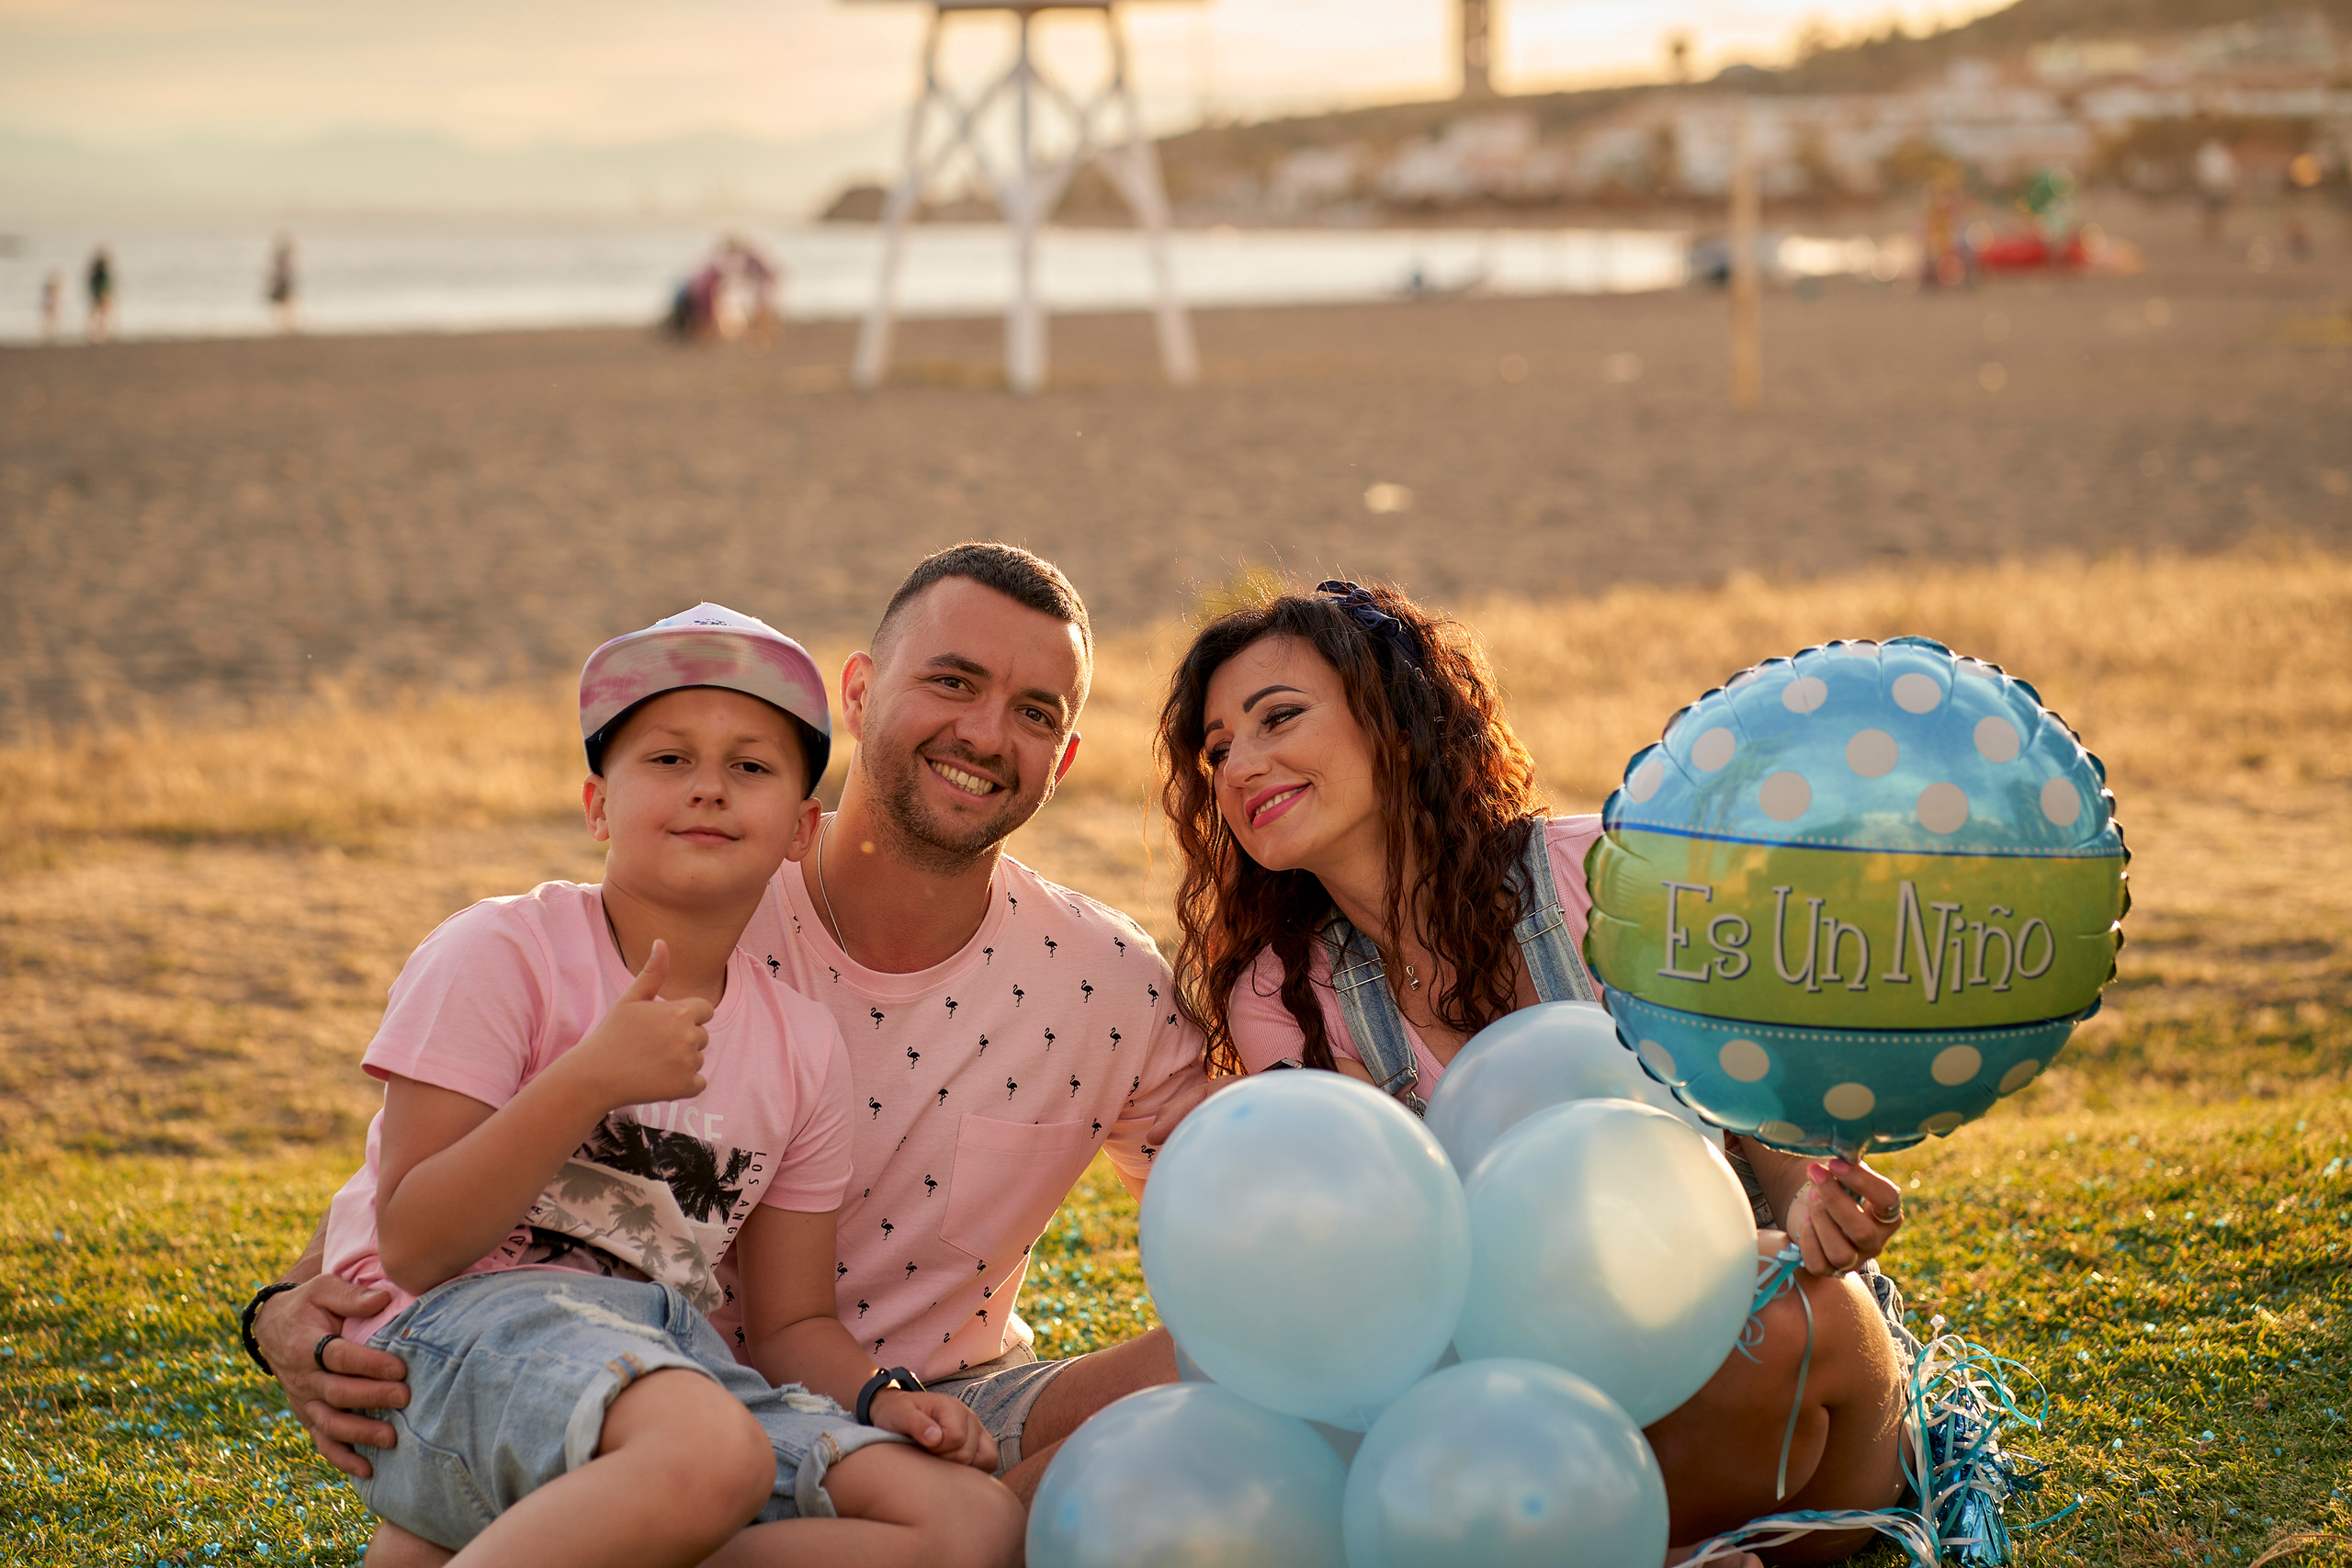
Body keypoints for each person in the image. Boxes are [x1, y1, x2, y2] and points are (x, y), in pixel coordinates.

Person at [245, 546, 1206, 1564]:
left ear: (1061, 759)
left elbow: (1237, 1192)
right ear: (862, 692)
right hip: (599, 1364)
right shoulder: (666, 904)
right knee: (701, 1458)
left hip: (835, 1392)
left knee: (1006, 1508)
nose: (983, 731)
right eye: (953, 681)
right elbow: (413, 1209)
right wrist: (279, 1310)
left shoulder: (1096, 981)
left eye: (1035, 712)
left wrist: (892, 1402)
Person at [1156, 579, 1914, 1562]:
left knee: (1773, 1314)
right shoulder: (1280, 994)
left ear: (1393, 716)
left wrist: (1811, 1197)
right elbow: (1361, 1293)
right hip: (1505, 1436)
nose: (1240, 766)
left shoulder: (1602, 877)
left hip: (1750, 1390)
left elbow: (1764, 1119)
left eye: (1277, 718)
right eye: (1216, 751)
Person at [309, 602, 1019, 1564]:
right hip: (455, 1345)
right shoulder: (501, 951)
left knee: (968, 1525)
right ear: (598, 802)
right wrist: (591, 1078)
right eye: (668, 759)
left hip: (671, 1365)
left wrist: (886, 1398)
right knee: (706, 1452)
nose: (710, 790)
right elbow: (416, 1243)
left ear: (797, 830)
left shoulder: (800, 1046)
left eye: (752, 767)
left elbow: (791, 1322)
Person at [267, 236, 299, 333]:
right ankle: (284, 326)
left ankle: (285, 326)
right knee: (283, 306)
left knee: (284, 306)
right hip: (282, 285)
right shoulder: (282, 263)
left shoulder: (281, 262)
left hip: (283, 285)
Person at [85, 246, 114, 342]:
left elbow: (94, 284)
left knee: (97, 315)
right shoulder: (102, 273)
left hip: (99, 295)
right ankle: (98, 334)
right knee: (101, 316)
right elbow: (106, 285)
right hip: (101, 296)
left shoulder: (98, 273)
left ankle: (96, 334)